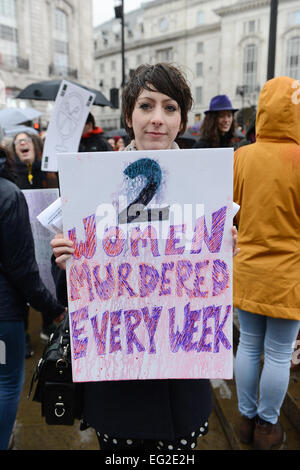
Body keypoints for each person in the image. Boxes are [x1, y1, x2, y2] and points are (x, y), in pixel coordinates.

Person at [51, 63, 239, 450]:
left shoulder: (204, 182)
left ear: (183, 119)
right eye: (146, 105)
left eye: (170, 108)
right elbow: (66, 297)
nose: (157, 119)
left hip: (180, 386)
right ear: (128, 115)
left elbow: (206, 289)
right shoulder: (90, 183)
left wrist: (223, 252)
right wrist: (66, 262)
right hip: (116, 383)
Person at [233, 76, 300, 450]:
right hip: (290, 274)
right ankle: (267, 428)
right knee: (278, 354)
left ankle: (245, 419)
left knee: (248, 347)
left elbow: (229, 213)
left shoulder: (242, 156)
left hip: (249, 269)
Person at [0, 145, 66, 450]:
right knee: (6, 381)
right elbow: (22, 268)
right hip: (3, 319)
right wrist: (52, 308)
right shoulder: (8, 194)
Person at [12, 131, 58, 357]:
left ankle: (50, 325)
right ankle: (24, 338)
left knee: (48, 277)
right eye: (17, 141)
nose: (22, 142)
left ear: (35, 145)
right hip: (21, 235)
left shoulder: (47, 170)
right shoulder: (11, 174)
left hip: (45, 234)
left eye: (26, 139)